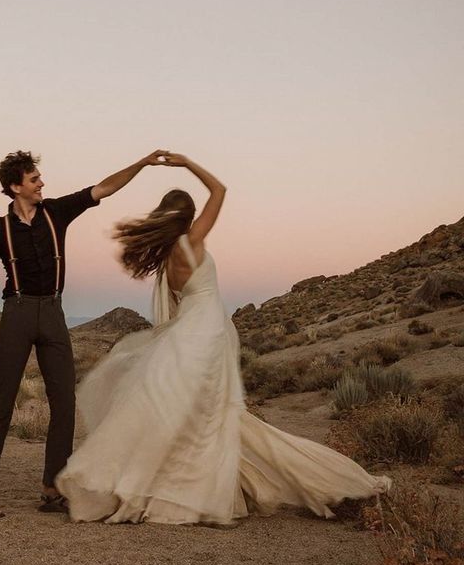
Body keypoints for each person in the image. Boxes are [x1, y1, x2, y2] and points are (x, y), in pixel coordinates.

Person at [56, 153, 391, 524]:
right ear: (188, 216)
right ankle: (203, 491)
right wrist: (186, 162)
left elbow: (172, 307)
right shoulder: (192, 240)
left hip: (187, 333)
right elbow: (220, 189)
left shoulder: (166, 258)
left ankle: (181, 491)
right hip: (208, 332)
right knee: (213, 418)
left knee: (194, 417)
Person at [0, 148, 169, 517]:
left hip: (54, 314)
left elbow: (103, 188)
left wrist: (140, 164)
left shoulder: (56, 212)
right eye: (34, 179)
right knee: (1, 401)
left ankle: (52, 490)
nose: (42, 183)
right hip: (18, 312)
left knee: (64, 401)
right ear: (15, 186)